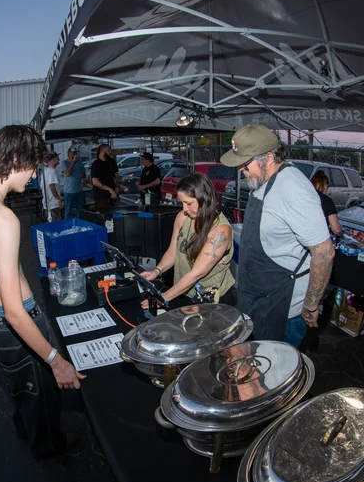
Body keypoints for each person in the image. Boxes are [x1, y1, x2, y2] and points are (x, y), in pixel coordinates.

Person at [0, 125, 86, 459]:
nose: (32, 176)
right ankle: (50, 449)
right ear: (15, 159)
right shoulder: (3, 219)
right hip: (15, 323)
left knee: (20, 389)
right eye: (32, 167)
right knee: (41, 394)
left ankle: (26, 431)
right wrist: (55, 361)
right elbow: (14, 311)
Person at [220, 124, 335, 348]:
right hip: (256, 296)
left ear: (269, 157)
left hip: (281, 306)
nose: (242, 170)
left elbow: (324, 252)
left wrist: (311, 305)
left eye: (245, 164)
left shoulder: (293, 189)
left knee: (276, 372)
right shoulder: (262, 180)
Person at [141, 173, 234, 305]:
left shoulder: (220, 231)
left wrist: (163, 297)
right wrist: (157, 271)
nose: (184, 209)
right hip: (185, 291)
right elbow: (173, 252)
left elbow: (197, 273)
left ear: (204, 199)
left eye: (189, 203)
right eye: (182, 203)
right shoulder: (182, 217)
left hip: (212, 300)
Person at [311, 170, 342, 236]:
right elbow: (336, 229)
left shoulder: (305, 196)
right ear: (325, 185)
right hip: (318, 238)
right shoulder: (327, 200)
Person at [60, 146, 86, 219]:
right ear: (68, 154)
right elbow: (67, 173)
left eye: (75, 153)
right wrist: (73, 162)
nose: (74, 155)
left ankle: (80, 226)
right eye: (73, 153)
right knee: (68, 211)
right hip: (69, 191)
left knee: (80, 211)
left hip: (79, 190)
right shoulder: (64, 163)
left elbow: (83, 173)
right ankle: (68, 227)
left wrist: (83, 178)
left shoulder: (79, 162)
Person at [91, 144, 119, 209]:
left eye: (110, 150)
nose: (110, 152)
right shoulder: (96, 164)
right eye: (108, 151)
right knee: (103, 215)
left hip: (112, 195)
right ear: (102, 151)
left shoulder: (111, 161)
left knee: (114, 214)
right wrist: (110, 189)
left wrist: (117, 185)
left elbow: (116, 174)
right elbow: (95, 182)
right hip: (101, 196)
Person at [40, 150, 63, 221]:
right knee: (57, 226)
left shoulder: (44, 171)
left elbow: (41, 187)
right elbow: (51, 186)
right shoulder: (52, 171)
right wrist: (58, 199)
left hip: (47, 205)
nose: (59, 160)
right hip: (53, 205)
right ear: (52, 160)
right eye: (57, 159)